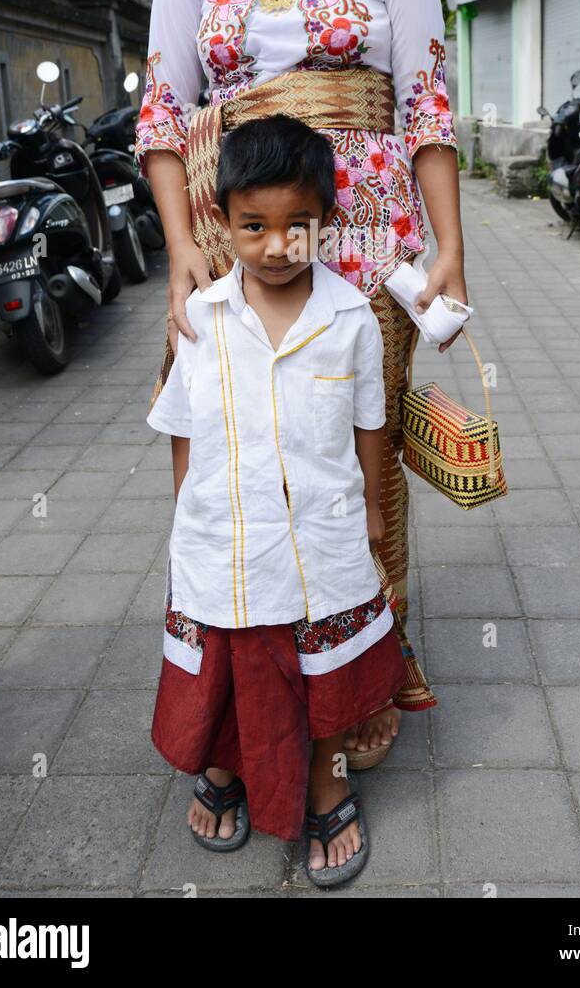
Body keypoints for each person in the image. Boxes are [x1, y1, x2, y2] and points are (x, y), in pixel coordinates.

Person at [135, 0, 468, 768]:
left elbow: (425, 104)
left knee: (351, 471)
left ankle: (358, 689)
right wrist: (184, 252)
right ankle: (243, 698)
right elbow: (159, 112)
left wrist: (448, 246)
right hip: (233, 249)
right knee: (237, 472)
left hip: (366, 243)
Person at [147, 114, 408, 885]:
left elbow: (370, 420)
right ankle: (223, 770)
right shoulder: (200, 319)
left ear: (324, 222)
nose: (274, 244)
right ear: (222, 221)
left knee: (322, 660)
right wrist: (185, 508)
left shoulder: (352, 318)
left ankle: (329, 783)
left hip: (320, 533)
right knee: (225, 660)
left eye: (297, 225)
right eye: (253, 225)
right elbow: (182, 427)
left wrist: (371, 504)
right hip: (222, 534)